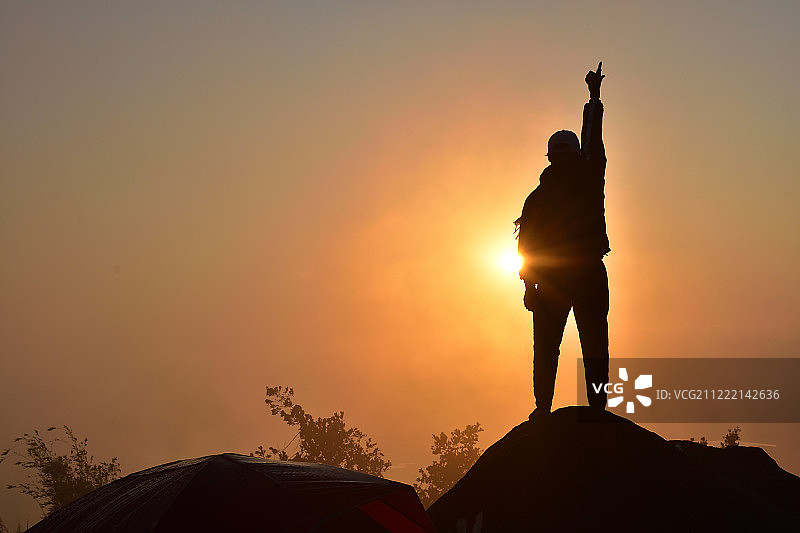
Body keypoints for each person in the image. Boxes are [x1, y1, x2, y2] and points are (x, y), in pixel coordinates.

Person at [515, 62, 610, 420]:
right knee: (595, 345)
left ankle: (543, 408)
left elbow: (526, 249)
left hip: (553, 280)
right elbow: (594, 142)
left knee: (547, 347)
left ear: (550, 158)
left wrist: (529, 286)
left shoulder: (537, 199)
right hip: (585, 273)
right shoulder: (587, 181)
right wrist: (594, 98)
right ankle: (596, 409)